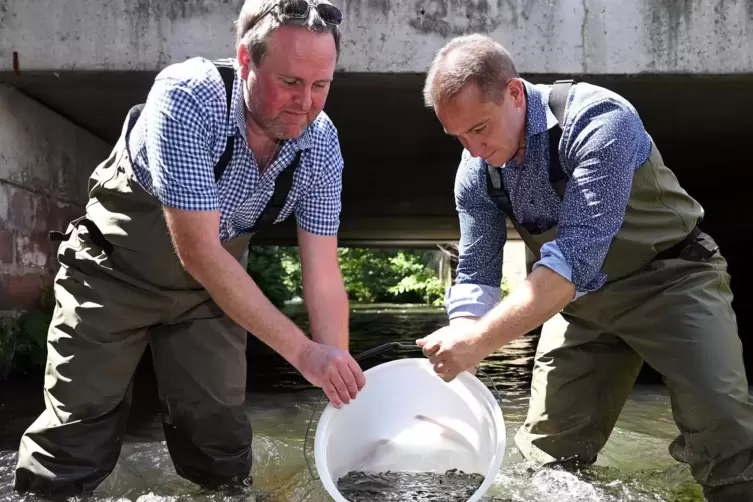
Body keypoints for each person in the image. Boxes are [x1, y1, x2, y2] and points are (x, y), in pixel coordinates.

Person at [13, 0, 366, 495]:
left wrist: (337, 374)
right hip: (114, 272)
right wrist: (304, 354)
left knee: (220, 444)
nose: (305, 102)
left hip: (210, 296)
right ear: (245, 60)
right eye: (290, 82)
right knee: (76, 434)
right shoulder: (187, 97)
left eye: (320, 85)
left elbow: (324, 277)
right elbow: (199, 251)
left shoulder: (322, 147)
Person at [416, 33, 753, 501]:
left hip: (673, 282)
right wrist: (460, 343)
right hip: (581, 306)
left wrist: (479, 342)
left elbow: (573, 261)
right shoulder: (476, 172)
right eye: (458, 137)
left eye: (480, 129)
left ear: (515, 93)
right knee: (547, 467)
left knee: (729, 444)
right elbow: (476, 271)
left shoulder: (600, 119)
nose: (473, 150)